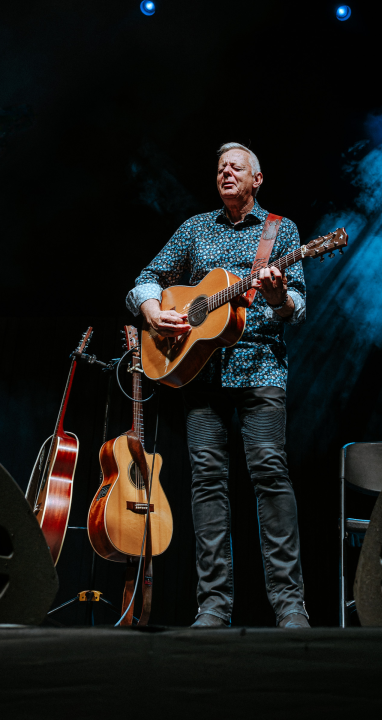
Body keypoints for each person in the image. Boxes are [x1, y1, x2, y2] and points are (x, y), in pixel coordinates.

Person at [125, 142, 310, 629]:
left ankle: (290, 606)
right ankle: (213, 607)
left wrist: (277, 297)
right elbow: (144, 279)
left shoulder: (280, 230)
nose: (226, 173)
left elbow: (298, 306)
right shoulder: (195, 229)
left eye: (237, 167)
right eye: (221, 168)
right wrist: (152, 311)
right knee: (207, 484)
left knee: (270, 476)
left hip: (261, 371)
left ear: (257, 179)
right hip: (200, 376)